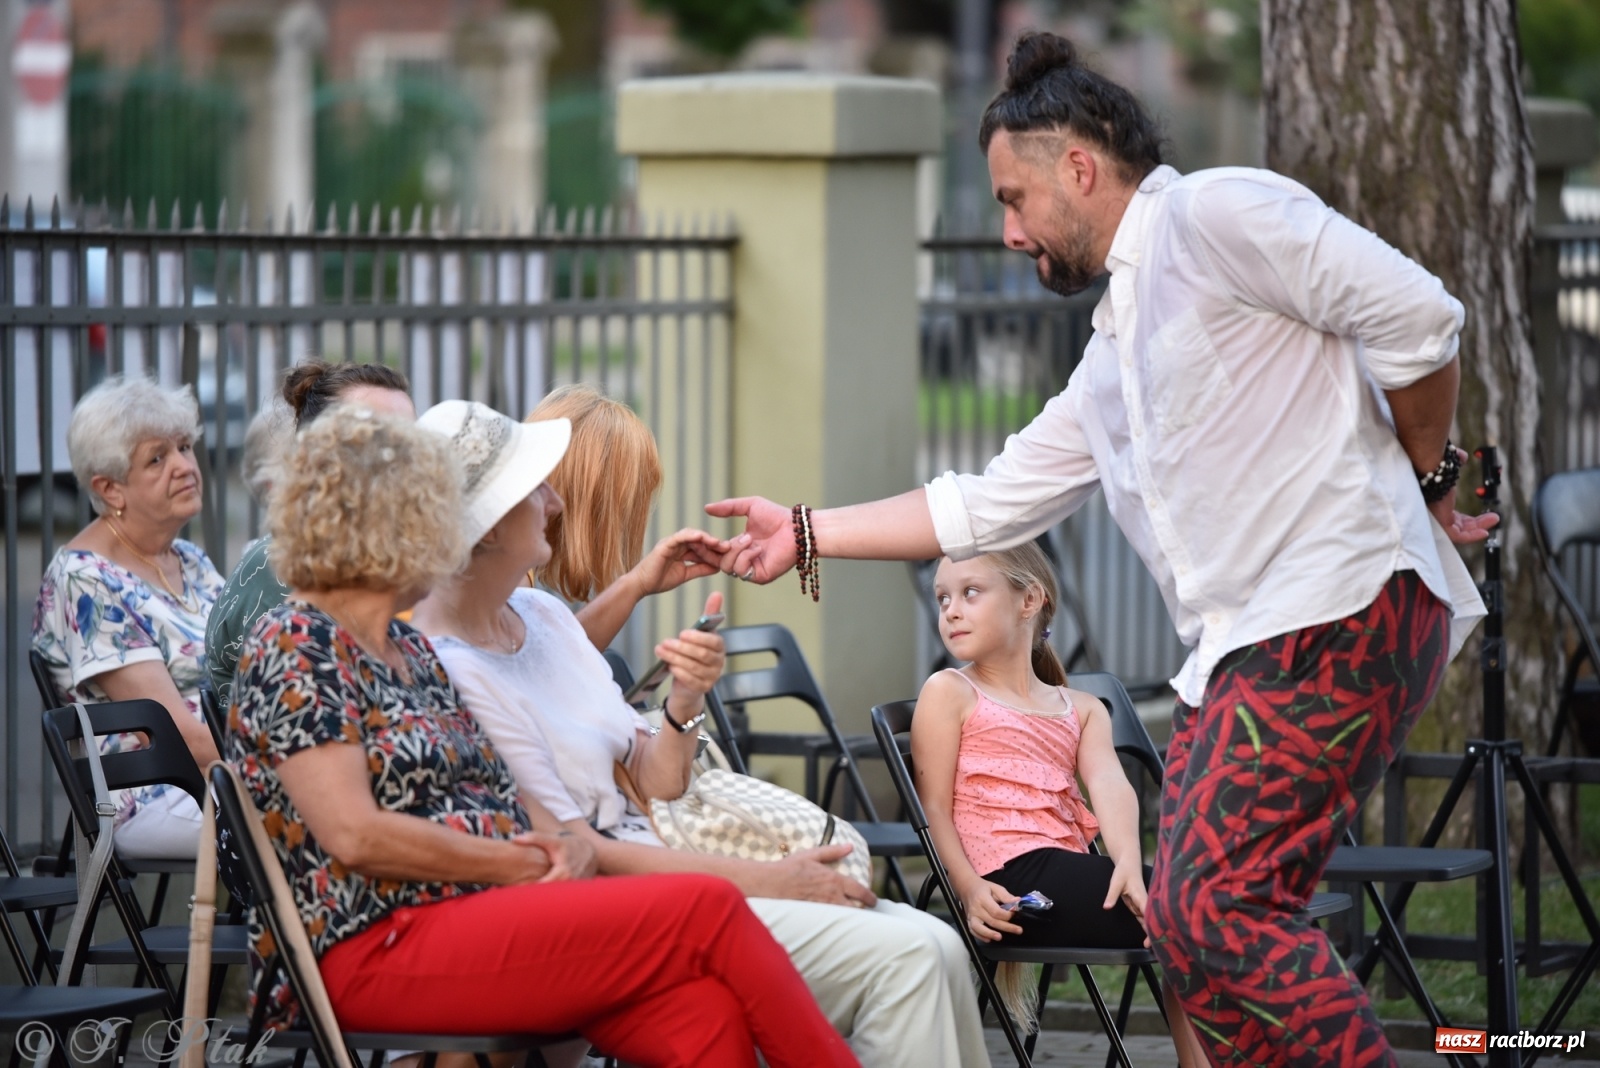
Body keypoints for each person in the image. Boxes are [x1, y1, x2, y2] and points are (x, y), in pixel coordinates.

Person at [708, 31, 1495, 1068]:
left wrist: (1431, 474)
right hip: (1255, 645)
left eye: (1011, 200)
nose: (1005, 232)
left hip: (1335, 609)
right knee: (1198, 935)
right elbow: (985, 503)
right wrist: (807, 532)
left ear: (1078, 168)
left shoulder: (1215, 215)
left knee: (1212, 915)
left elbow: (1418, 316)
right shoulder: (1111, 356)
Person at [227, 406, 857, 1068]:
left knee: (702, 1013)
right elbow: (355, 836)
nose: (450, 544)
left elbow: (499, 788)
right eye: (437, 521)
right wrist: (526, 862)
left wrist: (561, 842)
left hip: (481, 915)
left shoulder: (403, 646)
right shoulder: (299, 642)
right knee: (708, 909)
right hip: (373, 947)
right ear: (392, 533)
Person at [410, 390, 992, 1068]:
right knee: (909, 961)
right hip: (629, 905)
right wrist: (767, 879)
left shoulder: (540, 616)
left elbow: (658, 780)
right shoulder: (452, 670)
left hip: (670, 862)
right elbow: (577, 851)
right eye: (536, 487)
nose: (557, 501)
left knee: (942, 945)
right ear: (485, 529)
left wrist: (684, 698)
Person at [913, 543, 1204, 1064]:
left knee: (1203, 916)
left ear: (1030, 600)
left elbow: (1112, 787)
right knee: (1197, 917)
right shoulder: (949, 691)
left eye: (970, 592)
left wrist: (1126, 868)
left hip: (1064, 869)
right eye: (942, 598)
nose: (951, 609)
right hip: (1011, 880)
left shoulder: (1083, 708)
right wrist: (970, 888)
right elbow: (933, 809)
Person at [32, 375, 225, 861]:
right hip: (156, 791)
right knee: (324, 812)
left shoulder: (189, 560)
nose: (184, 466)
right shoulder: (85, 579)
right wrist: (283, 770)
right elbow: (169, 733)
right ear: (110, 488)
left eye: (184, 447)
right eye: (157, 458)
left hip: (225, 771)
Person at [205, 360, 414, 709]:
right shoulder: (281, 567)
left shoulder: (390, 557)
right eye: (377, 439)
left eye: (412, 440)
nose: (407, 459)